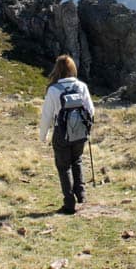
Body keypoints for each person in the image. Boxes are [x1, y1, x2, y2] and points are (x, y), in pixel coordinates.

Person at [40, 55, 95, 214]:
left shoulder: (53, 90)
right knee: (77, 160)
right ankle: (81, 194)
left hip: (61, 132)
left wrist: (43, 135)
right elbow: (91, 110)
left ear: (57, 70)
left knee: (63, 167)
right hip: (79, 131)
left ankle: (69, 204)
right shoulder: (82, 86)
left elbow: (47, 116)